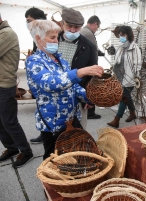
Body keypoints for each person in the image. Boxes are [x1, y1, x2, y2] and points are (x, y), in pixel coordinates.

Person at [26, 20, 104, 159]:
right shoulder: (34, 61)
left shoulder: (60, 60)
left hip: (71, 118)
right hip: (52, 122)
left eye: (57, 37)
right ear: (38, 38)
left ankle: (75, 179)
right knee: (53, 158)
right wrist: (80, 72)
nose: (56, 41)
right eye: (52, 37)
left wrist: (90, 96)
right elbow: (50, 83)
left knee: (77, 152)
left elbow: (72, 86)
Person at [0, 13, 33, 168]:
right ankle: (11, 148)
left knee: (9, 121)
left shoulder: (7, 33)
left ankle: (26, 151)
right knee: (1, 121)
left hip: (5, 85)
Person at [58, 8, 99, 129]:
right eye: (69, 26)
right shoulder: (53, 40)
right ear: (62, 23)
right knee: (56, 131)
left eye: (76, 28)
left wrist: (90, 99)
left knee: (78, 132)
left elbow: (93, 74)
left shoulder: (88, 46)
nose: (72, 30)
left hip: (78, 95)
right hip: (56, 94)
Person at [107, 26, 142, 128]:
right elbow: (117, 61)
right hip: (120, 76)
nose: (121, 37)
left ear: (128, 35)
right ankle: (133, 113)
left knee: (124, 97)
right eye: (120, 35)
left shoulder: (135, 48)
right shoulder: (120, 47)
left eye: (123, 35)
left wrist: (136, 77)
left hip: (130, 77)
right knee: (127, 97)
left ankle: (117, 119)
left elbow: (138, 63)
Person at [25, 7, 47, 144]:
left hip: (46, 76)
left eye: (29, 20)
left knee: (45, 107)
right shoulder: (35, 33)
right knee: (41, 107)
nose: (27, 23)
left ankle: (47, 135)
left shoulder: (45, 32)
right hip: (39, 76)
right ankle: (44, 134)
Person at [80, 15, 105, 120]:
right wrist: (95, 68)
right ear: (95, 23)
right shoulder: (89, 33)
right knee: (90, 87)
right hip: (88, 67)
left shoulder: (82, 31)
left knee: (84, 87)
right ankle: (90, 112)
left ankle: (85, 107)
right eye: (97, 27)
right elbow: (93, 51)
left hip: (82, 66)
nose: (96, 29)